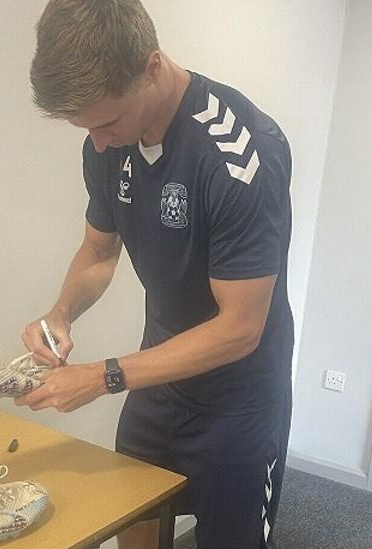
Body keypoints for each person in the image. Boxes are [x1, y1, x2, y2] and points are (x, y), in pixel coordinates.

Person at [16, 1, 293, 548]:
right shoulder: (104, 147)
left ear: (152, 67)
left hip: (239, 395)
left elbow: (241, 327)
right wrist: (60, 313)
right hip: (158, 378)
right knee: (134, 516)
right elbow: (99, 252)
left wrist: (104, 376)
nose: (97, 141)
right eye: (85, 127)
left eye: (107, 121)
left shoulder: (239, 154)